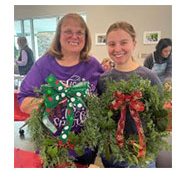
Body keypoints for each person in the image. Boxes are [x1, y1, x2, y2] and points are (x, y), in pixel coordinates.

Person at [17, 13, 104, 167]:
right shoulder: (44, 64)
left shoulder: (93, 65)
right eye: (68, 31)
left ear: (86, 37)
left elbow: (105, 100)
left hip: (84, 148)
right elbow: (24, 102)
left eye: (79, 32)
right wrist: (49, 101)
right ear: (58, 35)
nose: (74, 36)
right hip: (51, 146)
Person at [98, 21, 162, 168]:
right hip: (112, 154)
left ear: (134, 43)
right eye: (112, 44)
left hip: (141, 155)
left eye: (123, 42)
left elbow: (160, 117)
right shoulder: (104, 79)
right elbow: (101, 115)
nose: (117, 48)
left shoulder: (149, 77)